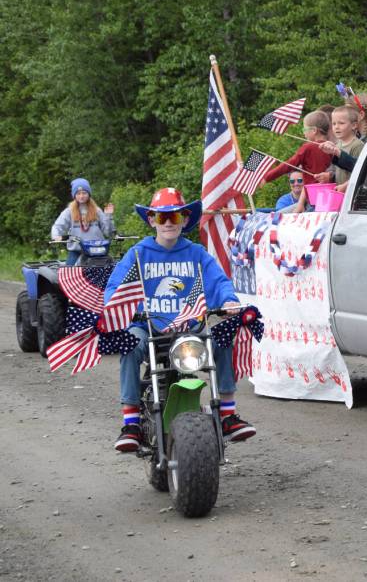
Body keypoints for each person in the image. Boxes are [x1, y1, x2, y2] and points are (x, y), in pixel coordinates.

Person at [109, 187, 254, 452]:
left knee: (222, 338)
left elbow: (219, 281)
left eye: (174, 217)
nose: (167, 223)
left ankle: (227, 415)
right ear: (151, 220)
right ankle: (130, 424)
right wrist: (126, 309)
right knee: (128, 344)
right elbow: (115, 290)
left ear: (185, 220)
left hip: (189, 330)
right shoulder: (138, 254)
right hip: (149, 329)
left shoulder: (196, 253)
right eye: (161, 217)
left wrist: (229, 300)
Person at [50, 178, 115, 266]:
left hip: (97, 251)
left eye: (84, 193)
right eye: (78, 193)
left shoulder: (97, 210)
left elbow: (108, 232)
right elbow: (57, 226)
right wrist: (56, 236)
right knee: (69, 274)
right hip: (76, 251)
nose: (81, 196)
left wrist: (108, 216)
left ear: (89, 194)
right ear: (74, 195)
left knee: (109, 271)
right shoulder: (69, 211)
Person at [262, 111, 333, 186]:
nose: (304, 133)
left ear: (314, 130)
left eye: (305, 129)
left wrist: (267, 177)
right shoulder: (333, 147)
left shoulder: (308, 147)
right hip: (331, 189)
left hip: (314, 191)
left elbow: (289, 164)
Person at [319, 105, 365, 192]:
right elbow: (337, 170)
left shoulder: (357, 145)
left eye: (341, 123)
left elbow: (360, 170)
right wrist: (329, 175)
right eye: (334, 123)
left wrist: (345, 186)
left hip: (352, 193)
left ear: (354, 125)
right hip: (340, 192)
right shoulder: (338, 145)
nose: (336, 127)